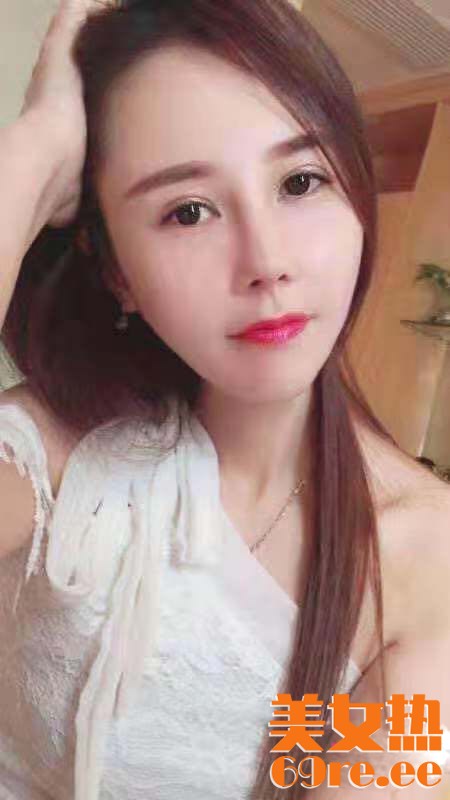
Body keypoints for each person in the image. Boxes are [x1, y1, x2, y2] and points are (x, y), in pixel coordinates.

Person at [0, 0, 449, 797]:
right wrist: (33, 158)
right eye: (189, 211)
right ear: (116, 271)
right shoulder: (62, 456)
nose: (266, 261)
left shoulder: (425, 559)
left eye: (301, 181)